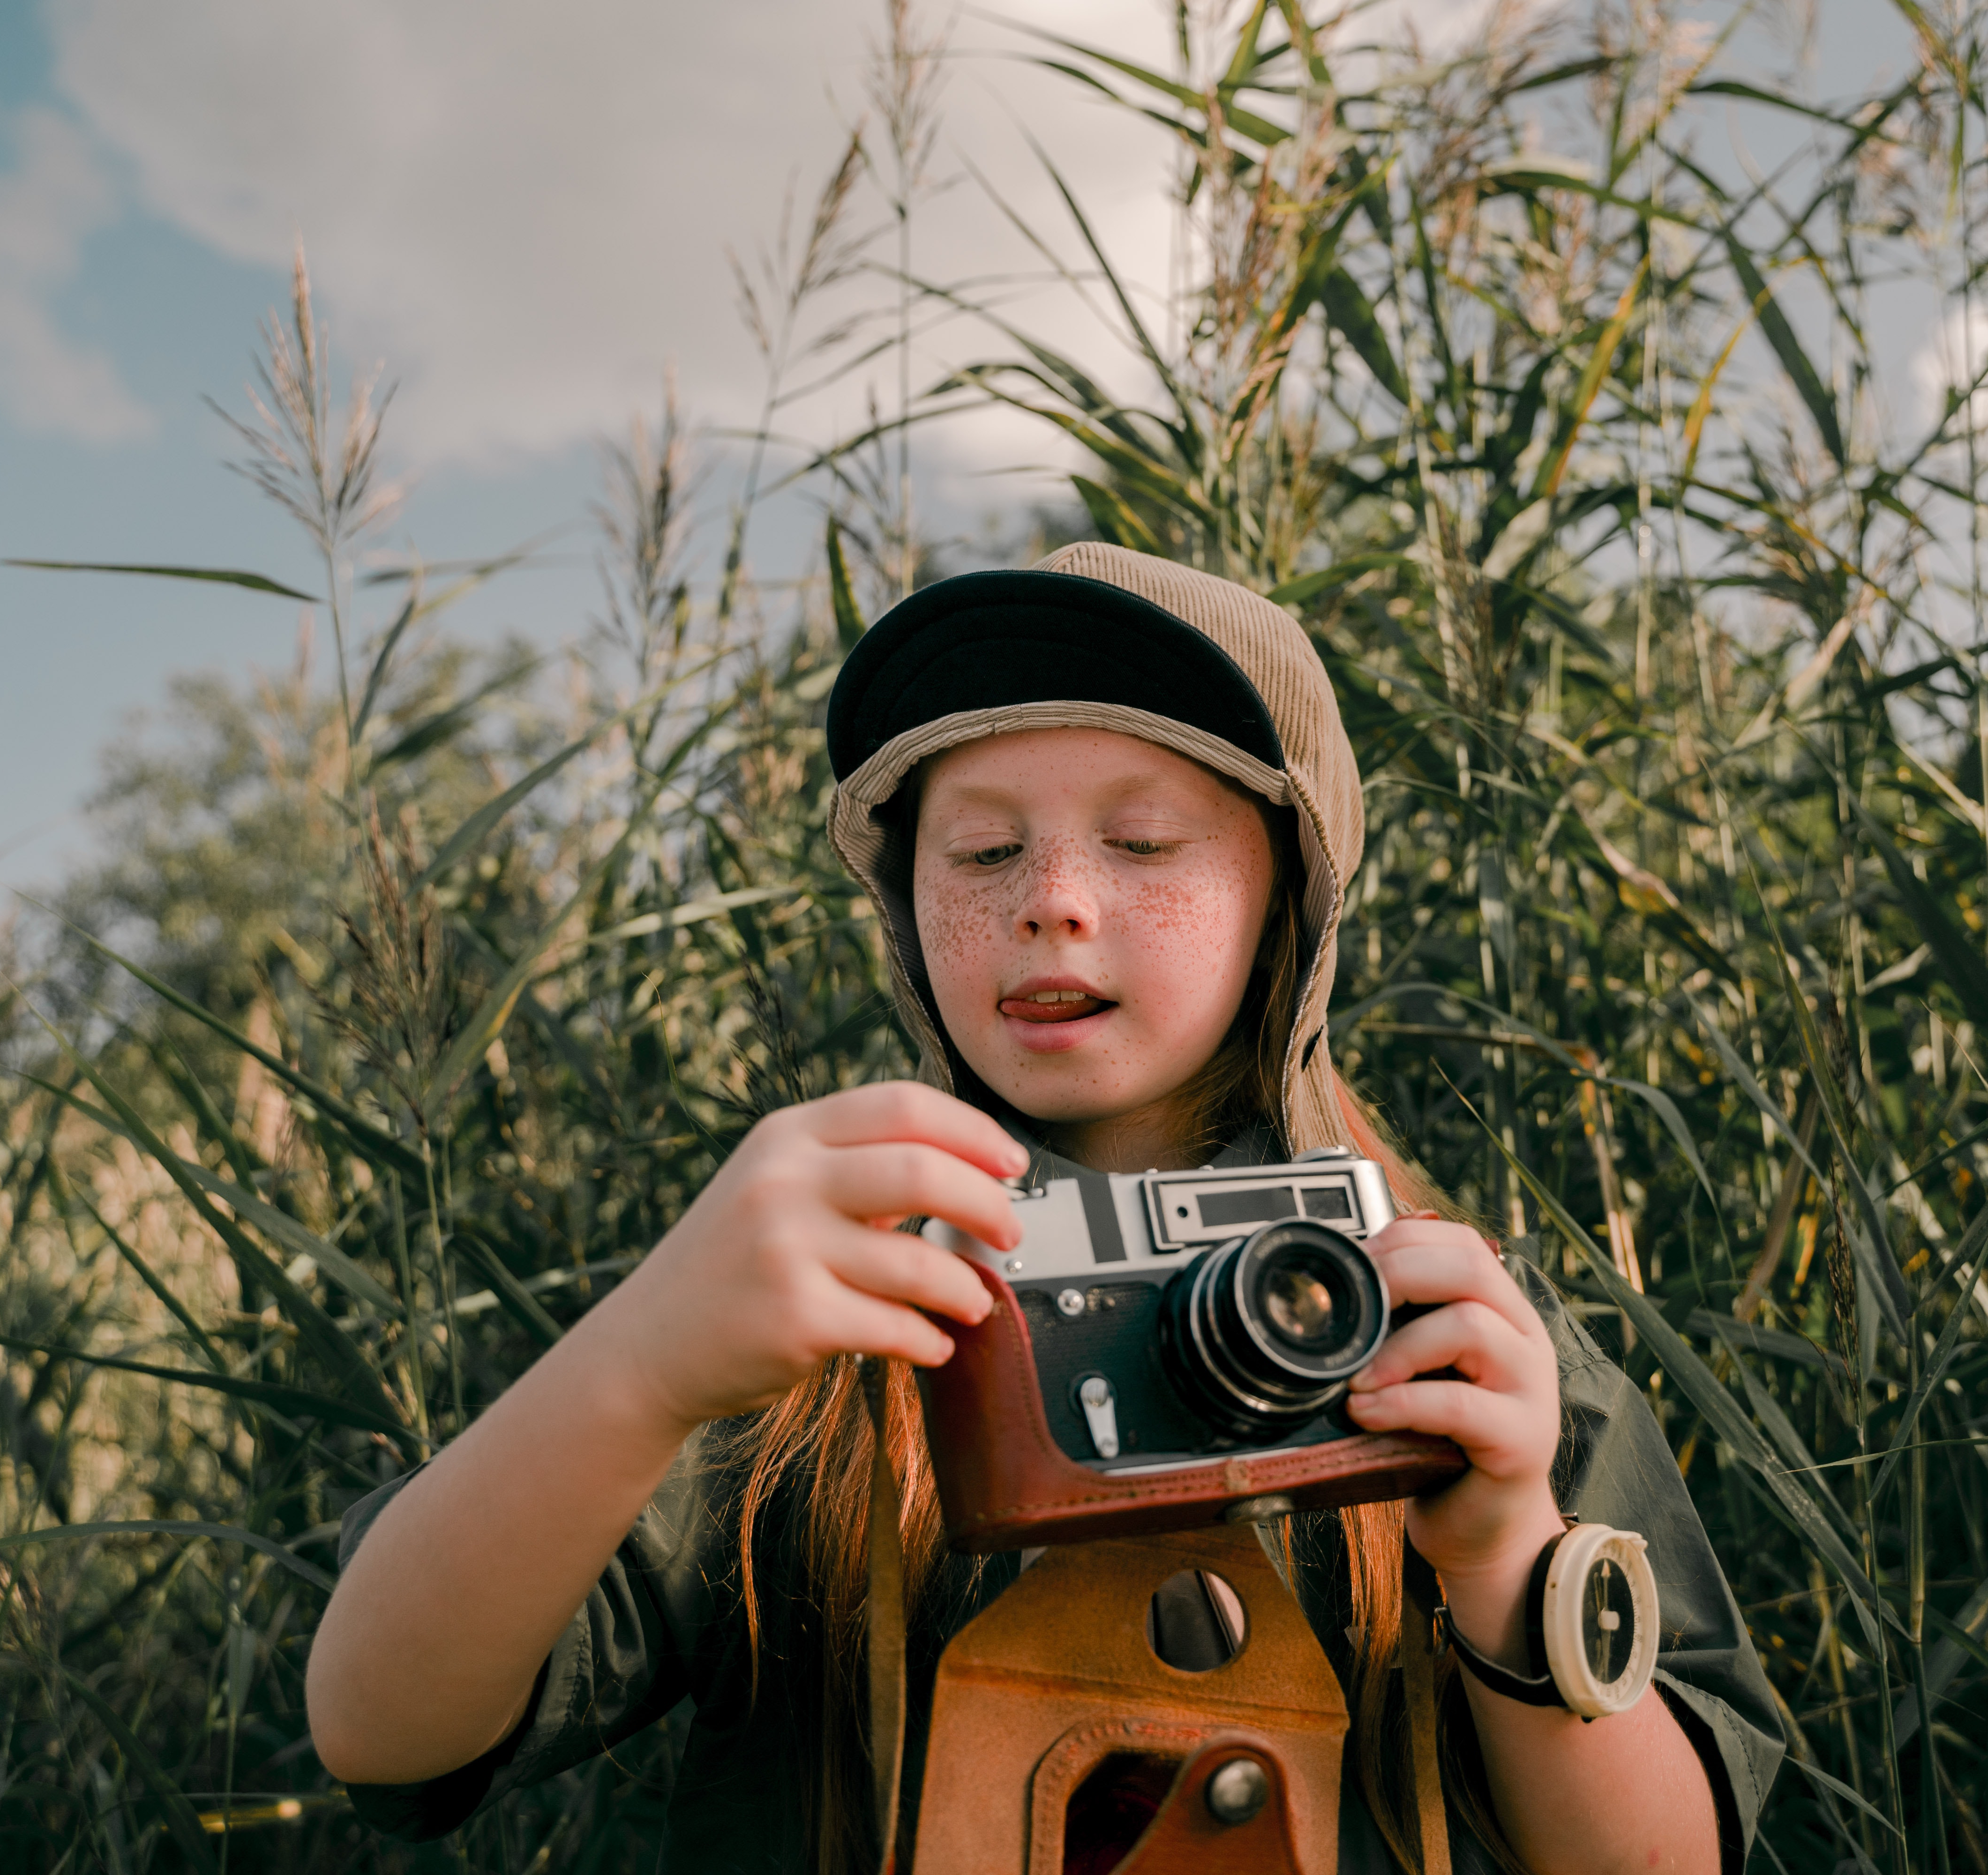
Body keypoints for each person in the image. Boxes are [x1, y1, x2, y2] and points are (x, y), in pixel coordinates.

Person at [305, 545, 1784, 1874]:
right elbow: (384, 1731)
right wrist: (639, 1370)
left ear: (1295, 900)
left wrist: (1506, 1557)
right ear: (904, 910)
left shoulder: (1452, 1321)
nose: (1056, 900)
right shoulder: (815, 1309)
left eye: (1144, 844)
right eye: (983, 851)